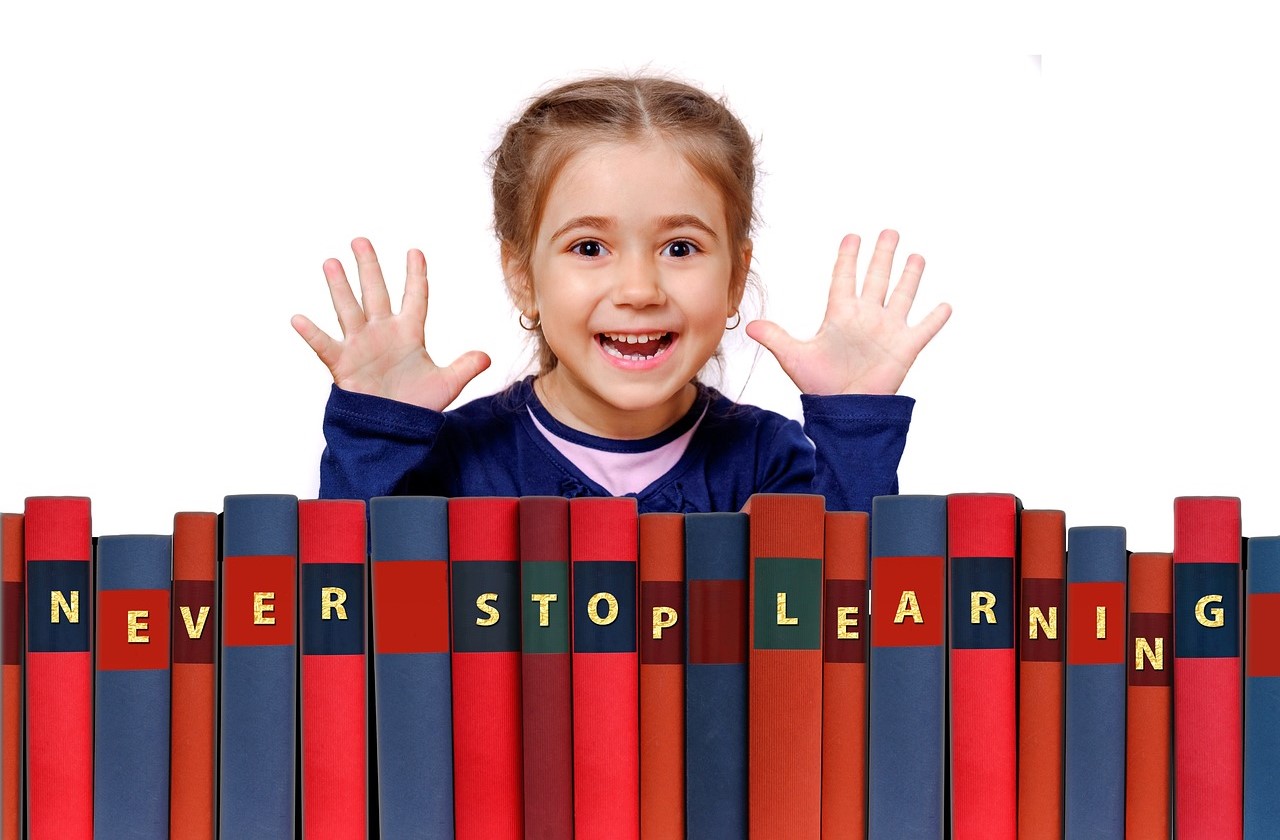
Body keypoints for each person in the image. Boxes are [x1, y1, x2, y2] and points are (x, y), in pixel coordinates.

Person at [292, 75, 951, 513]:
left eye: (680, 248)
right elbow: (351, 620)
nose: (639, 289)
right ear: (523, 276)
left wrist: (855, 427)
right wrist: (374, 435)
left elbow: (854, 628)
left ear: (733, 278)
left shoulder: (769, 463)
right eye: (589, 248)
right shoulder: (457, 464)